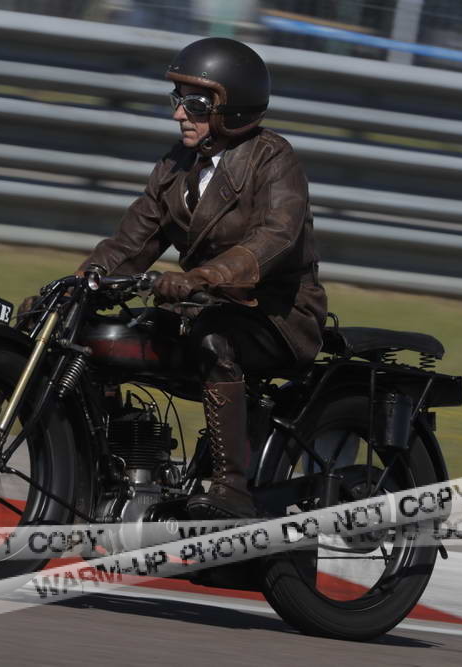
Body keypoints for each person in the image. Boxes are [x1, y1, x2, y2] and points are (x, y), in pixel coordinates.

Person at [80, 37, 327, 519]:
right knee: (104, 337)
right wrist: (81, 283)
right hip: (204, 306)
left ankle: (232, 486)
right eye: (178, 99)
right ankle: (119, 465)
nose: (179, 113)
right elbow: (131, 243)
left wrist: (205, 276)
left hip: (276, 315)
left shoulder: (272, 159)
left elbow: (276, 236)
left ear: (232, 108)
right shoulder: (176, 165)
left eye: (195, 104)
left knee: (215, 341)